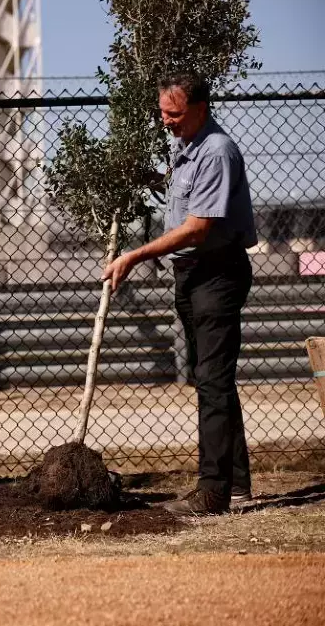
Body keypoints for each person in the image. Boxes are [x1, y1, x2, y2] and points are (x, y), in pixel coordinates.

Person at [101, 72, 257, 516]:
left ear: (199, 108)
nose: (165, 121)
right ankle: (237, 484)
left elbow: (198, 228)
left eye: (174, 113)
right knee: (213, 381)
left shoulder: (217, 151)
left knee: (212, 380)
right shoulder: (184, 146)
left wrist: (135, 255)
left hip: (217, 273)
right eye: (162, 112)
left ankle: (213, 493)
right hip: (190, 275)